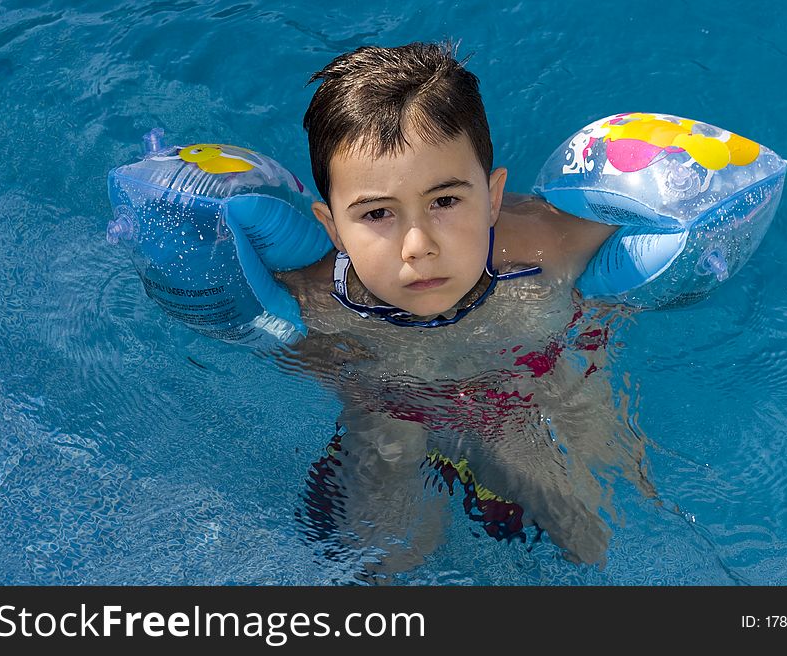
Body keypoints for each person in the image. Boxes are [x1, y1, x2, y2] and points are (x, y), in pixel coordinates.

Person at [270, 42, 653, 579]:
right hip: (390, 412)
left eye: (446, 201)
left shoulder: (549, 248)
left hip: (523, 390)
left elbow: (661, 219)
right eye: (377, 213)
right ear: (332, 226)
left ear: (492, 196)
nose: (417, 244)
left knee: (590, 538)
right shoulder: (315, 302)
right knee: (388, 560)